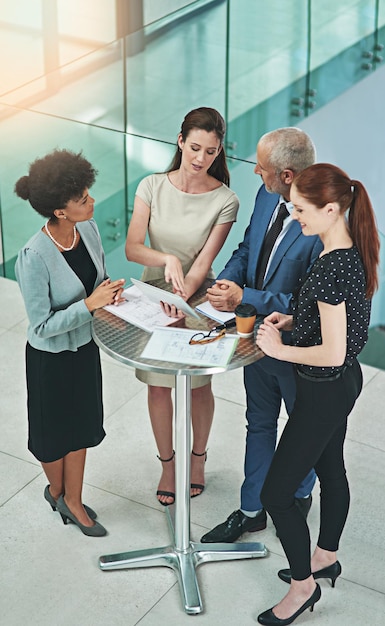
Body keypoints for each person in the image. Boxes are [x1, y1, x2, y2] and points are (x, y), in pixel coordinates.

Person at [255, 163, 379, 625]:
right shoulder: (349, 251)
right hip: (342, 385)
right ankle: (325, 556)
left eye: (303, 210)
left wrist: (279, 348)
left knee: (277, 494)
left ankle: (303, 587)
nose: (296, 216)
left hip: (325, 388)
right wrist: (296, 321)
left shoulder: (331, 267)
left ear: (331, 209)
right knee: (330, 468)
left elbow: (331, 351)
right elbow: (337, 326)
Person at [201, 128, 323, 543]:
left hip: (297, 351)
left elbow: (308, 303)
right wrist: (226, 285)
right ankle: (251, 510)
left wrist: (245, 296)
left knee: (301, 429)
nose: (256, 172)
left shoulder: (322, 224)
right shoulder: (267, 195)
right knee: (259, 423)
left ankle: (299, 495)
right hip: (254, 342)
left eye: (263, 168)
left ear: (287, 175)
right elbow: (247, 250)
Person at [125, 107, 239, 505]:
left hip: (197, 299)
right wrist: (166, 261)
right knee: (158, 388)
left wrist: (182, 295)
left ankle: (198, 458)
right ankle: (168, 464)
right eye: (194, 148)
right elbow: (133, 247)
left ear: (218, 152)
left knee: (197, 385)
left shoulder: (225, 200)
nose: (200, 158)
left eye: (210, 152)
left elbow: (205, 263)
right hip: (153, 296)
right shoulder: (151, 186)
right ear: (180, 142)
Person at [15, 149, 125, 537]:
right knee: (50, 440)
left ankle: (73, 500)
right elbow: (41, 327)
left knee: (81, 429)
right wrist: (89, 305)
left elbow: (98, 283)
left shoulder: (89, 230)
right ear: (60, 211)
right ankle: (57, 492)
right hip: (50, 360)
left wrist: (110, 296)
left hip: (84, 351)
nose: (91, 201)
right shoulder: (34, 256)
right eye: (82, 199)